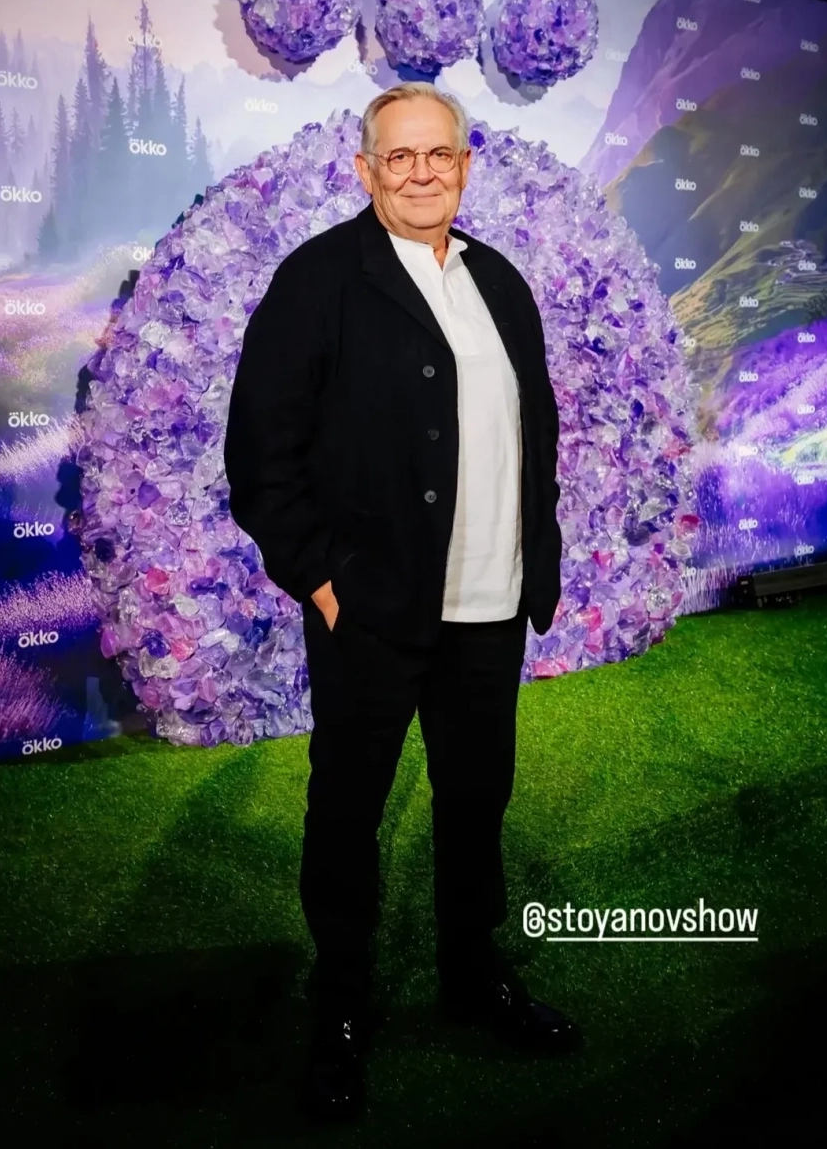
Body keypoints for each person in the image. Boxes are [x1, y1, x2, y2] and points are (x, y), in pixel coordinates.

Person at [223, 82, 578, 1121]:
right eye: (400, 157)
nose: (421, 173)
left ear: (465, 165)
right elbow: (260, 452)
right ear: (366, 169)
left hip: (491, 606)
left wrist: (535, 561)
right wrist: (321, 579)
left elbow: (536, 433)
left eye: (439, 155)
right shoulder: (318, 279)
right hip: (372, 613)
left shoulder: (500, 280)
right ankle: (339, 1010)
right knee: (347, 815)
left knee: (475, 804)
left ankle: (472, 975)